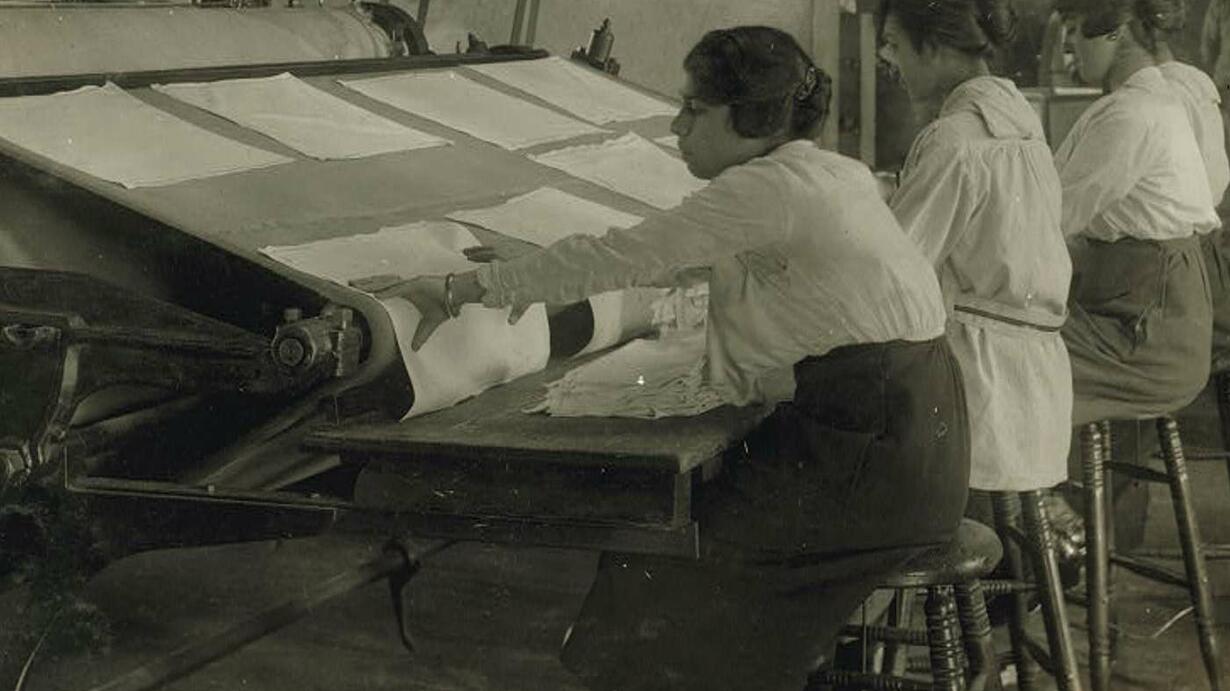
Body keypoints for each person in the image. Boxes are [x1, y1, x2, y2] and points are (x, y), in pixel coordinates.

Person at [356, 26, 971, 691]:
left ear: (748, 118)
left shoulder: (764, 190)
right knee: (673, 553)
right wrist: (529, 267)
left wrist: (458, 290)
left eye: (694, 110)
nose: (677, 126)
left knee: (665, 561)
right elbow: (690, 263)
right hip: (915, 436)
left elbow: (631, 256)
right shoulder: (826, 172)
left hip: (870, 453)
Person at [878, 0, 1073, 505]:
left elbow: (891, 277)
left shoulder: (954, 140)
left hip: (979, 396)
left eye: (894, 45)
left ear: (936, 48)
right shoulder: (1023, 125)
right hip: (1033, 387)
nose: (887, 60)